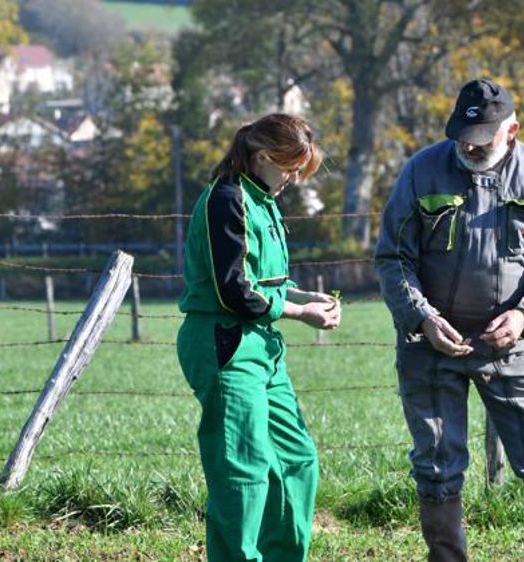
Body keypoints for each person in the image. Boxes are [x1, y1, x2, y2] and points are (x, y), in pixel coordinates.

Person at [375, 78, 524, 561]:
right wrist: (421, 317)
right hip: (430, 347)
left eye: (483, 136)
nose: (469, 145)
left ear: (512, 131)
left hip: (513, 346)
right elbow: (392, 258)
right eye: (462, 134)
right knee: (436, 465)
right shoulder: (421, 171)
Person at [177, 113, 341, 562]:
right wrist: (301, 312)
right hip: (226, 344)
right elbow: (235, 290)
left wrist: (305, 295)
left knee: (297, 461)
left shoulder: (264, 200)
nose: (294, 178)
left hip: (263, 347)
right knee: (242, 474)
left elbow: (262, 280)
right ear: (263, 155)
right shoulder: (226, 200)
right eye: (290, 167)